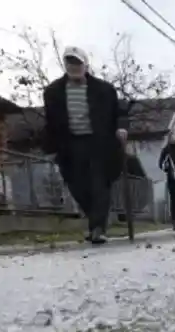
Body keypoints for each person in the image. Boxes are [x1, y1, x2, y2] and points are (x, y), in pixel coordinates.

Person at [42, 46, 127, 244]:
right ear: (65, 65)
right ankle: (94, 218)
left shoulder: (104, 90)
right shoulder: (53, 92)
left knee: (100, 185)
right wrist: (48, 146)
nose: (74, 67)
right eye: (70, 63)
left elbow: (120, 113)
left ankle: (98, 228)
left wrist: (121, 128)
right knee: (77, 186)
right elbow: (50, 122)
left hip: (100, 143)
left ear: (86, 64)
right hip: (70, 145)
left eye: (78, 62)